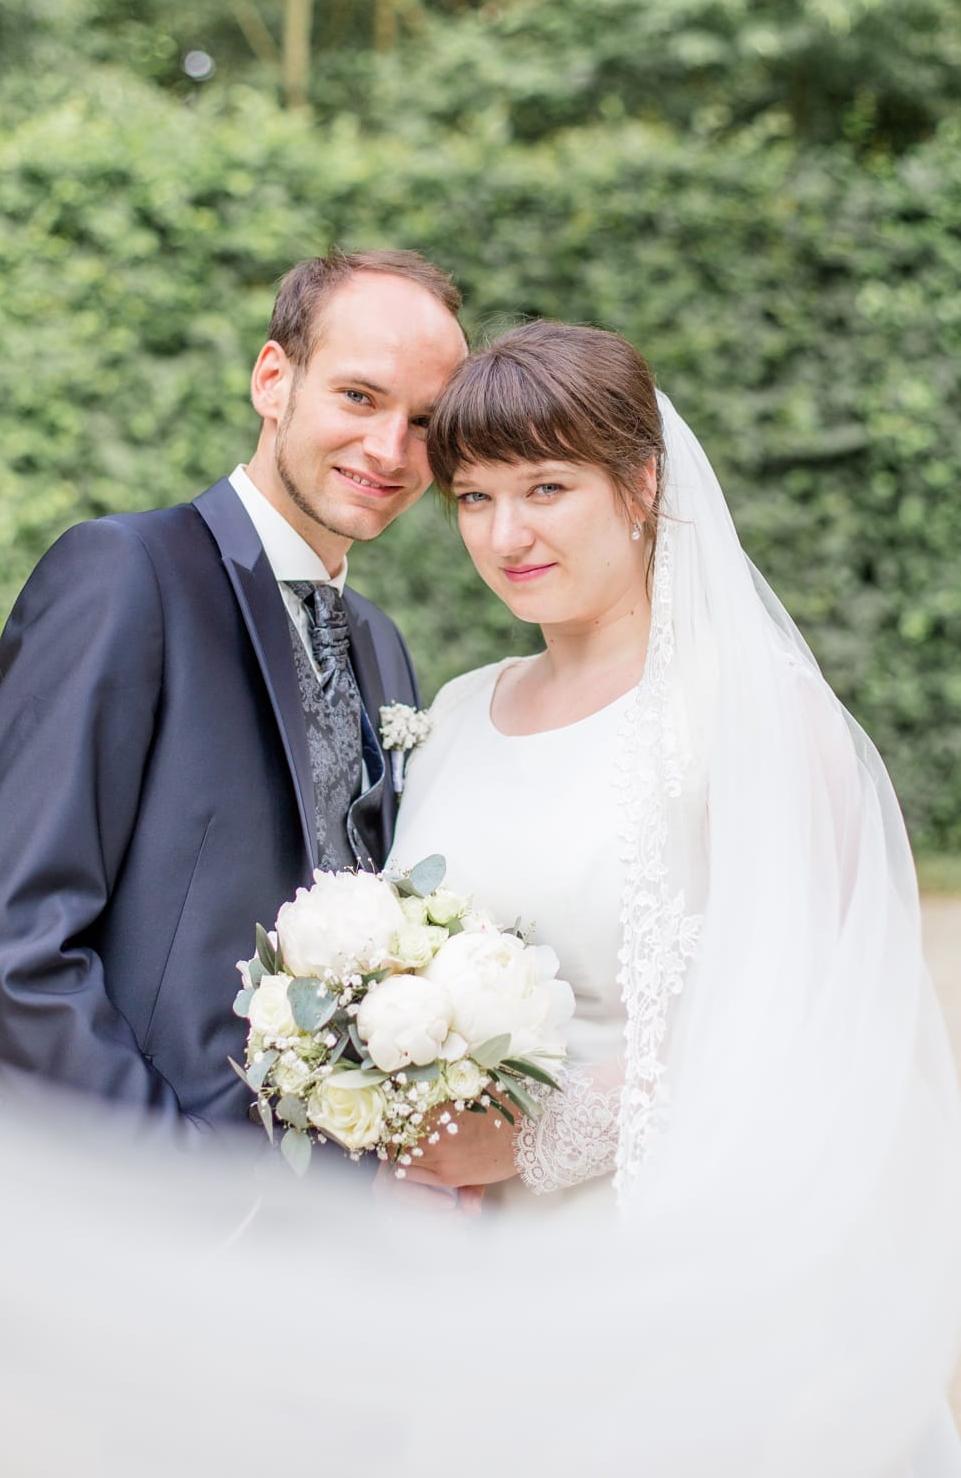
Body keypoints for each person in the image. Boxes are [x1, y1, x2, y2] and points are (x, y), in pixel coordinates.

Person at [387, 321, 961, 1469]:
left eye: (547, 487)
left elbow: (817, 1034)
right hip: (462, 1285)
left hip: (670, 1280)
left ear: (641, 483)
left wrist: (526, 1145)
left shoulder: (753, 724)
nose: (506, 535)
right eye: (474, 497)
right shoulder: (452, 716)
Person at [0, 247, 467, 1141]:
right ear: (274, 379)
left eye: (425, 422)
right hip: (91, 1205)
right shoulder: (127, 574)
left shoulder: (380, 645)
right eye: (359, 397)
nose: (389, 449)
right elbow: (7, 942)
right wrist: (186, 1183)